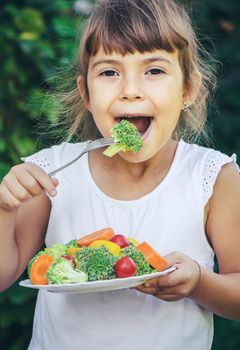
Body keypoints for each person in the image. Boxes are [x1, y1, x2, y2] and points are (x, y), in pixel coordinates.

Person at [0, 0, 240, 349]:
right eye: (109, 72)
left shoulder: (212, 176)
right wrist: (5, 210)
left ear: (187, 89)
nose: (130, 89)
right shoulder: (51, 172)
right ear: (86, 92)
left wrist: (200, 283)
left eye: (154, 70)